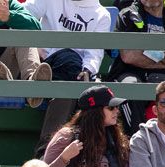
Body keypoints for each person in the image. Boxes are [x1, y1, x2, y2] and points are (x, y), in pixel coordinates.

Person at [25, 0, 111, 137]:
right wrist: (35, 45)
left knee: (71, 82)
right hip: (47, 63)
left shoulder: (102, 15)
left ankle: (47, 146)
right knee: (71, 62)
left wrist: (87, 70)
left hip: (74, 71)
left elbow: (95, 53)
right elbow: (24, 13)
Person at [108, 0, 165, 135]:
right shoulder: (128, 14)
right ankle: (135, 142)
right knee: (130, 89)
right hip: (130, 71)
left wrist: (155, 53)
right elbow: (129, 56)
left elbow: (136, 55)